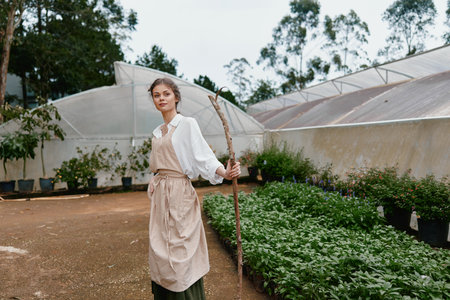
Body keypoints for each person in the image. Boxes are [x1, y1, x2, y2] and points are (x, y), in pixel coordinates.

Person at [147, 78, 241, 299]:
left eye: (166, 94)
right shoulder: (157, 132)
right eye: (156, 95)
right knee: (160, 249)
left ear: (176, 97)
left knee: (180, 249)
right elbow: (158, 163)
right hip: (161, 196)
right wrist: (155, 177)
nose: (161, 98)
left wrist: (225, 173)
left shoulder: (186, 124)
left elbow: (203, 157)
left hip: (180, 194)